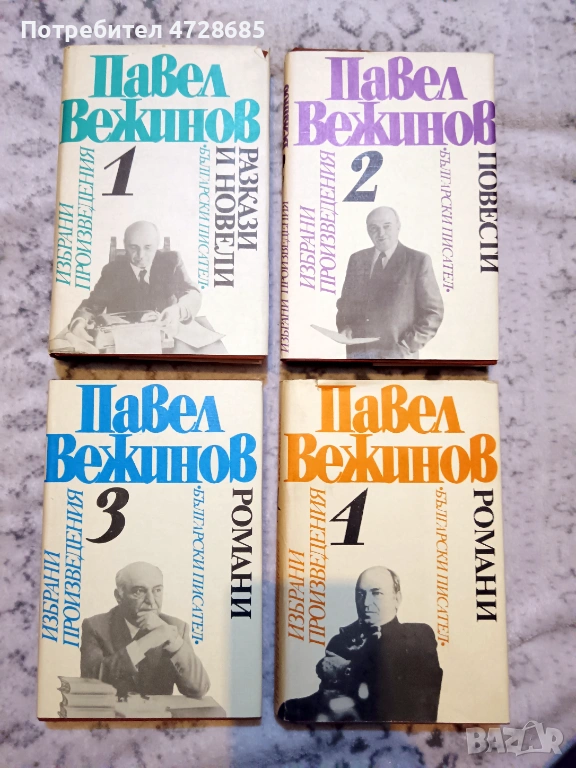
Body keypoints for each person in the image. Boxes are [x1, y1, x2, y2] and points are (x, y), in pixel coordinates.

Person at [278, 566, 443, 723]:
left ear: (397, 599)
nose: (366, 603)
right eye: (360, 594)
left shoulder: (418, 636)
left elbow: (406, 702)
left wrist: (345, 670)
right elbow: (326, 703)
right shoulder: (340, 641)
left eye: (376, 593)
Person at [80, 561, 210, 699]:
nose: (151, 601)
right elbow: (90, 682)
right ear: (119, 596)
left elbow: (199, 689)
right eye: (139, 591)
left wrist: (173, 640)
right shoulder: (96, 626)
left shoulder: (175, 628)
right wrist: (147, 641)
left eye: (157, 590)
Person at [67, 221, 201, 350]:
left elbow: (192, 292)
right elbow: (92, 305)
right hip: (124, 343)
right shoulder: (112, 271)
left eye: (148, 247)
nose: (141, 255)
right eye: (133, 247)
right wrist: (79, 322)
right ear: (125, 244)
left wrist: (178, 310)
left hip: (165, 341)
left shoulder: (171, 262)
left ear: (157, 244)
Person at [335, 207, 444, 359]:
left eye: (387, 226)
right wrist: (345, 327)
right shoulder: (357, 259)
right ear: (367, 231)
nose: (381, 233)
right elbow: (345, 303)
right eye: (374, 228)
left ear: (398, 226)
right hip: (358, 355)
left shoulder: (418, 261)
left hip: (397, 357)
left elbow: (433, 312)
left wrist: (408, 344)